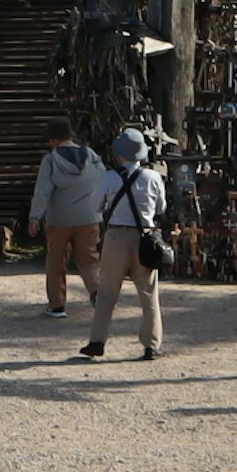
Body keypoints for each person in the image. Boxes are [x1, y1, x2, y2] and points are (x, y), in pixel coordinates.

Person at [78, 125, 169, 361]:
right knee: (148, 293)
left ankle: (97, 342)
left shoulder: (109, 177)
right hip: (145, 237)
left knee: (107, 292)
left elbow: (95, 206)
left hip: (116, 236)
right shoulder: (154, 177)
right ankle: (152, 345)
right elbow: (161, 208)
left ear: (120, 154)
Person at [24, 126, 104, 315]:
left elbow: (42, 191)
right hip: (88, 217)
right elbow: (103, 180)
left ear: (53, 140)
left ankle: (57, 305)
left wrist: (35, 217)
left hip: (59, 220)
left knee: (56, 262)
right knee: (90, 261)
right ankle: (99, 294)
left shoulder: (51, 160)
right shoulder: (91, 156)